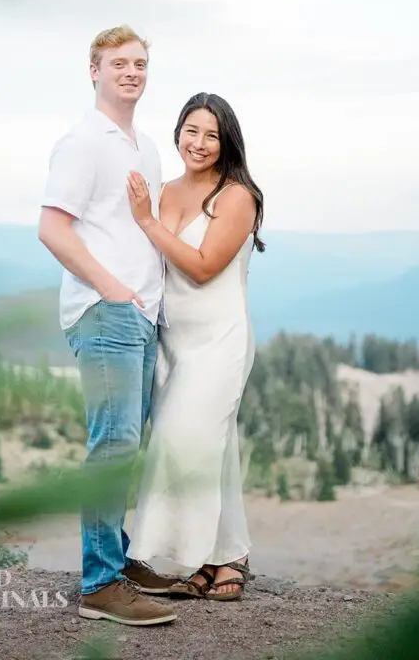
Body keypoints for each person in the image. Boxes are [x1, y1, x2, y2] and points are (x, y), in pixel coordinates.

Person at [38, 25, 178, 626]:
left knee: (126, 443)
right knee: (112, 445)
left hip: (141, 314)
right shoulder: (82, 143)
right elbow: (52, 228)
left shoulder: (144, 146)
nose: (131, 72)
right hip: (106, 312)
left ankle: (116, 560)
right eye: (119, 63)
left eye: (140, 64)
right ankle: (99, 585)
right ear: (94, 71)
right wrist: (112, 288)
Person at [124, 91, 265, 601]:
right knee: (214, 448)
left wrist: (146, 221)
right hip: (171, 339)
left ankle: (202, 555)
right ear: (178, 132)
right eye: (191, 131)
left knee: (186, 441)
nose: (199, 143)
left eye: (212, 135)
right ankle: (223, 557)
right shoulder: (164, 191)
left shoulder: (236, 196)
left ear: (227, 142)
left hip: (219, 338)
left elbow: (203, 267)